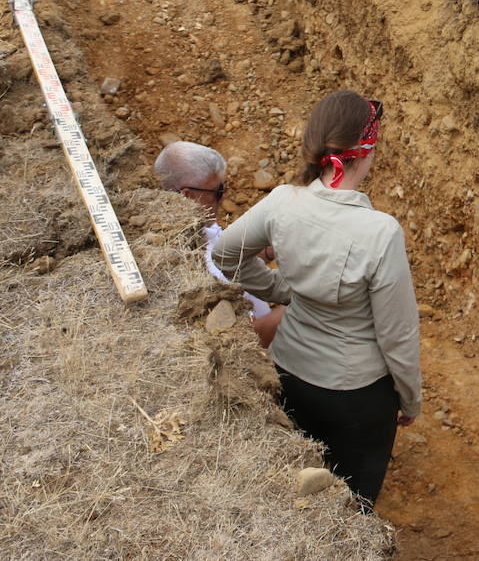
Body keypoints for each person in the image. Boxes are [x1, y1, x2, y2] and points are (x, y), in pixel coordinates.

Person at [212, 92, 421, 510]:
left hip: (288, 372)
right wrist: (410, 397)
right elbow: (396, 335)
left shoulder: (283, 202)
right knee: (353, 503)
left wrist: (282, 291)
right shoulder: (380, 232)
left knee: (294, 490)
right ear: (368, 149)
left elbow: (225, 253)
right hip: (356, 394)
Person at [153, 141, 283, 348]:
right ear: (188, 195)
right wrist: (306, 308)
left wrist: (267, 252)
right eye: (217, 191)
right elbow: (248, 337)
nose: (224, 197)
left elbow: (229, 268)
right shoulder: (196, 271)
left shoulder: (199, 229)